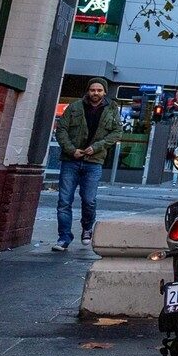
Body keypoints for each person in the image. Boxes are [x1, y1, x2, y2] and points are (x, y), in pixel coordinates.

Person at [52, 79, 114, 252]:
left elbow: (116, 133)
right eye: (92, 90)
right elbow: (61, 129)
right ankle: (64, 237)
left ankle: (87, 227)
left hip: (94, 162)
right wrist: (72, 150)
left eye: (99, 90)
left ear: (104, 92)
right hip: (71, 160)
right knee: (64, 201)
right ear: (88, 91)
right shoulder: (74, 107)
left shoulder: (111, 110)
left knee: (89, 200)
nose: (95, 93)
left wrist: (96, 147)